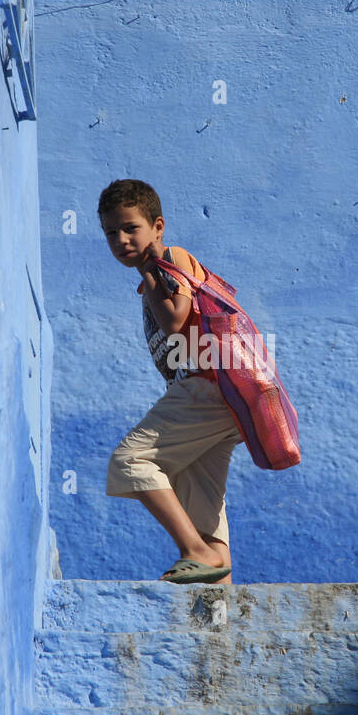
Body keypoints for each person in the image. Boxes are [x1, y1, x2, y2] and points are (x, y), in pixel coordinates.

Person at [100, 178, 243, 584]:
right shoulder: (153, 274)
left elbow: (177, 321)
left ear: (157, 226)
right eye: (111, 232)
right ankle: (217, 604)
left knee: (130, 460)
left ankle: (192, 551)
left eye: (131, 228)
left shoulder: (171, 259)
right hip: (221, 398)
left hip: (206, 387)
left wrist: (150, 282)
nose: (122, 240)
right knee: (203, 507)